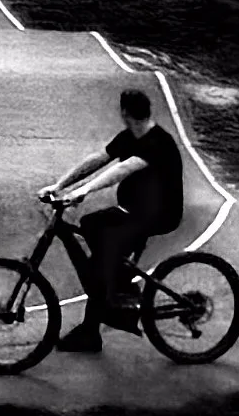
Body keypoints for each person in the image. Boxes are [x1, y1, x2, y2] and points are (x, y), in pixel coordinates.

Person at [39, 87, 184, 354]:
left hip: (158, 215)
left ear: (124, 113)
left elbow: (123, 168)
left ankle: (108, 308)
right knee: (92, 225)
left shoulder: (157, 143)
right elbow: (99, 159)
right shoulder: (131, 136)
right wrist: (59, 186)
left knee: (102, 259)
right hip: (134, 209)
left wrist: (83, 191)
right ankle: (115, 288)